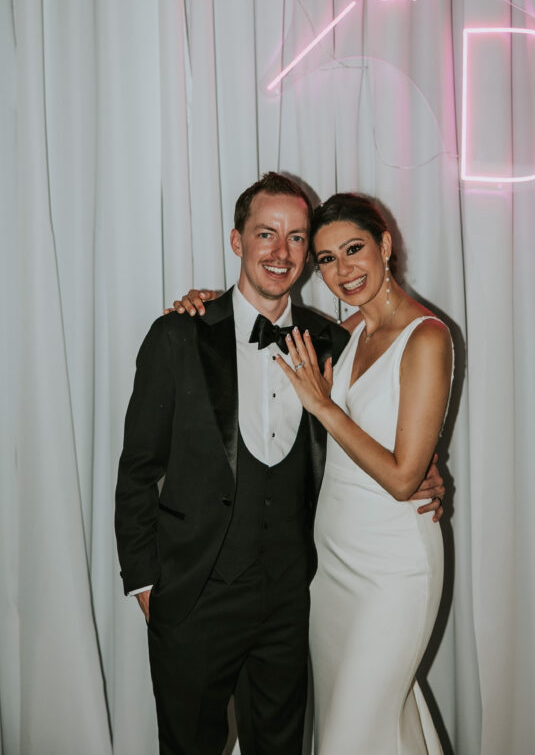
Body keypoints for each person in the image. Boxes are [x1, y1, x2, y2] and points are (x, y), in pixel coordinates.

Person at [115, 173, 445, 755]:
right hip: (195, 598)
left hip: (297, 601)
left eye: (296, 239)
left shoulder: (329, 339)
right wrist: (146, 584)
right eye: (266, 234)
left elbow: (387, 410)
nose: (281, 251)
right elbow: (138, 469)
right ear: (237, 241)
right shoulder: (179, 334)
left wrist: (429, 468)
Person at [274, 193, 453, 753]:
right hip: (332, 568)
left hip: (393, 572)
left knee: (353, 732)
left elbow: (403, 479)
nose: (343, 270)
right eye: (326, 259)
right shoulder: (345, 331)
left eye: (354, 250)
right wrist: (202, 302)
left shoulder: (427, 336)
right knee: (365, 726)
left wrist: (325, 407)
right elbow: (261, 324)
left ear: (385, 245)